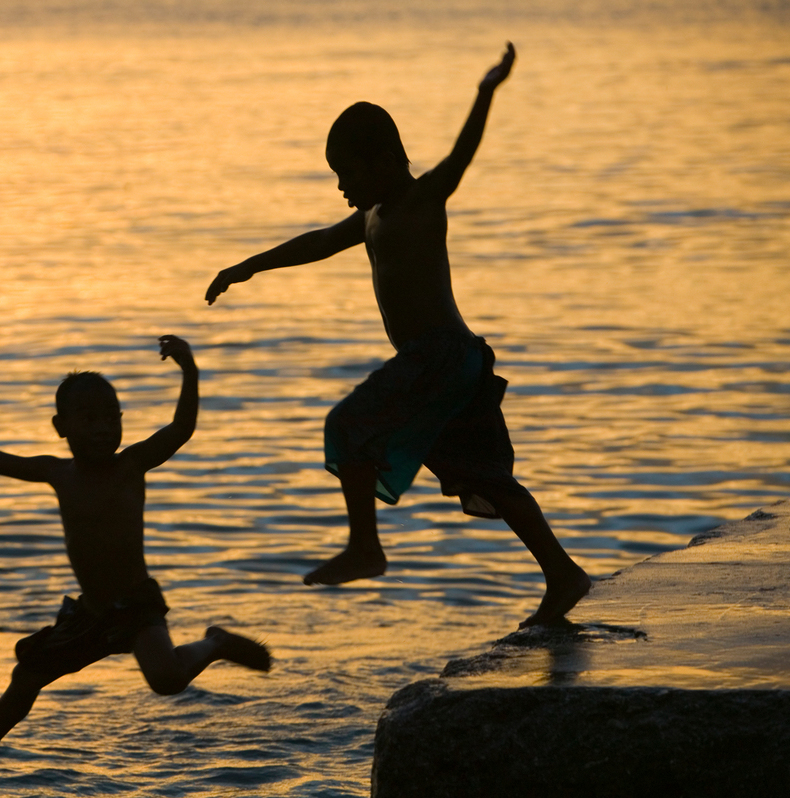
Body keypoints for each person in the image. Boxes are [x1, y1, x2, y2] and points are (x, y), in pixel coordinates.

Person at [205, 43, 590, 627]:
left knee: (349, 427)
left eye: (347, 172)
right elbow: (314, 242)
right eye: (336, 176)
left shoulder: (419, 200)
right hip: (433, 365)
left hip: (442, 359)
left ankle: (365, 547)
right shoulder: (371, 217)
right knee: (481, 474)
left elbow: (462, 155)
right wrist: (246, 266)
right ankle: (563, 574)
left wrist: (486, 91)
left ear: (386, 159)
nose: (341, 187)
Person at [0, 335, 271, 773]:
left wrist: (190, 371)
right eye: (88, 419)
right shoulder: (57, 472)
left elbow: (181, 429)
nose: (102, 428)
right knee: (28, 675)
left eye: (110, 417)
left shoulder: (132, 464)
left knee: (167, 680)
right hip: (91, 612)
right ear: (61, 426)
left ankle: (213, 643)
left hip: (135, 604)